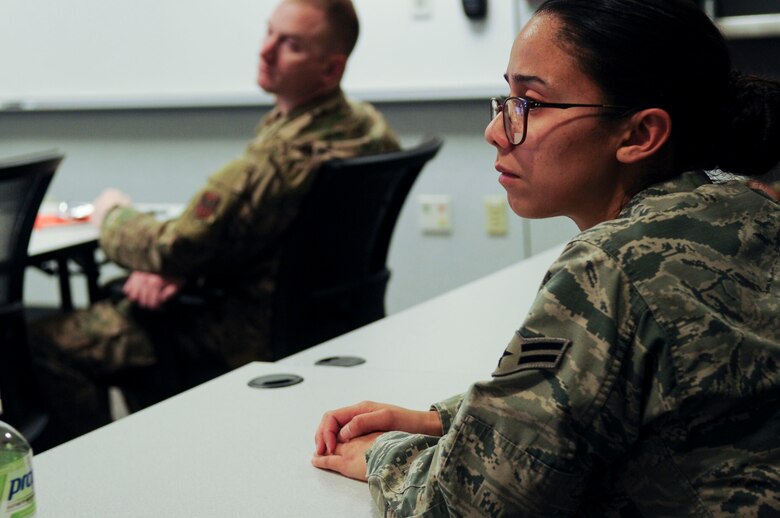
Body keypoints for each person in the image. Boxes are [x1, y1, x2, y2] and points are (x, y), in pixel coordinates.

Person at [311, 0, 780, 515]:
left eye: (529, 104)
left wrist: (385, 454)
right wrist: (449, 419)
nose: (496, 130)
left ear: (641, 134)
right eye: (506, 98)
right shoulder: (754, 207)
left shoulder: (610, 265)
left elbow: (468, 503)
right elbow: (614, 395)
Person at [31, 0, 399, 446]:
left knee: (47, 344)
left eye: (291, 45)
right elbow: (240, 236)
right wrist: (184, 266)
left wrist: (113, 214)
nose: (266, 51)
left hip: (230, 331)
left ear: (330, 69)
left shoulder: (280, 157)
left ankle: (92, 472)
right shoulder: (368, 127)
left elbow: (175, 245)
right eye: (269, 33)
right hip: (316, 320)